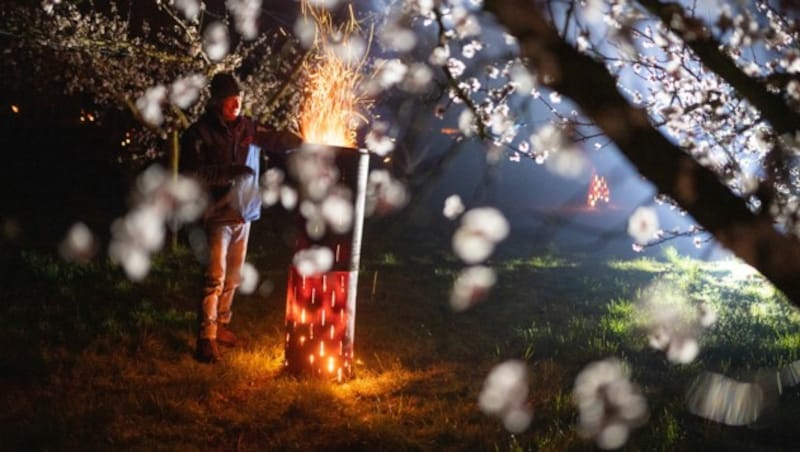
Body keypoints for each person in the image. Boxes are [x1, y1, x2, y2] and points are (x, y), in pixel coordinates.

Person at [180, 72, 302, 363]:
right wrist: (230, 172)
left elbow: (274, 138)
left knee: (233, 278)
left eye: (239, 98)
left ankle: (222, 325)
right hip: (217, 214)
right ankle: (206, 338)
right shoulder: (199, 133)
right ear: (216, 102)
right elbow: (192, 174)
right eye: (229, 99)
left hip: (244, 214)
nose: (236, 103)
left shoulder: (248, 128)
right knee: (215, 277)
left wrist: (304, 141)